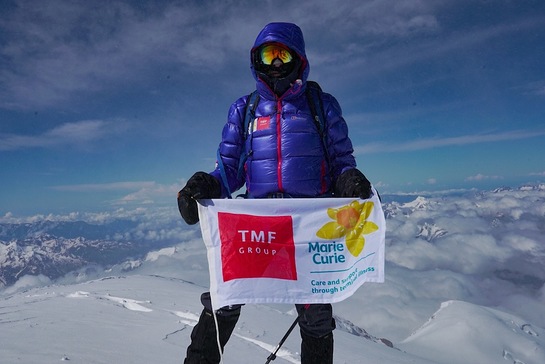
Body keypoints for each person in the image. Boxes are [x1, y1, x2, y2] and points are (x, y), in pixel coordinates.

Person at [177, 22, 373, 364]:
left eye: (284, 53)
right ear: (257, 59)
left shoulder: (321, 106)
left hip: (307, 227)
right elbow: (229, 171)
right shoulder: (245, 109)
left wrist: (349, 181)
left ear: (299, 58)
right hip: (259, 223)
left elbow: (341, 162)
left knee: (315, 317)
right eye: (269, 54)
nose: (277, 63)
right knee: (224, 297)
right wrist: (204, 186)